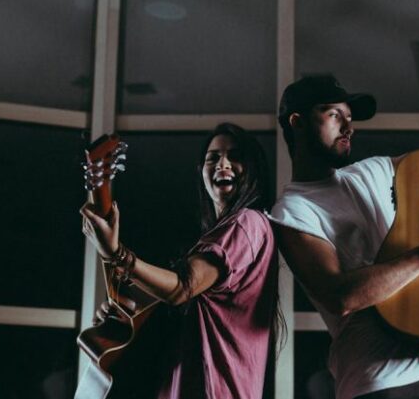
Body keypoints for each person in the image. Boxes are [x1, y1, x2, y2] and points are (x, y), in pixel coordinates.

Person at [269, 14, 419, 399]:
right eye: (335, 115)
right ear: (297, 122)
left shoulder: (377, 170)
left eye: (350, 118)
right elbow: (340, 297)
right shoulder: (291, 210)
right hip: (380, 383)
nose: (349, 127)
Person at [80, 123, 283, 399]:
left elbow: (182, 287)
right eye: (213, 157)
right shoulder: (218, 238)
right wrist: (124, 319)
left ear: (253, 169)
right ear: (201, 171)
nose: (222, 163)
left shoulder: (247, 223)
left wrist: (116, 254)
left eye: (235, 156)